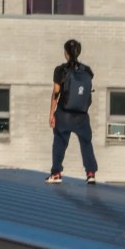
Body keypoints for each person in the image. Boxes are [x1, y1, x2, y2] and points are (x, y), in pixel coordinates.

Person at [45, 39, 98, 185]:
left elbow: (56, 93)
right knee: (86, 142)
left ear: (66, 53)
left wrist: (51, 114)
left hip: (64, 114)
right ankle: (91, 173)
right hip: (81, 114)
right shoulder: (87, 71)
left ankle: (56, 173)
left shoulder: (60, 70)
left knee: (60, 141)